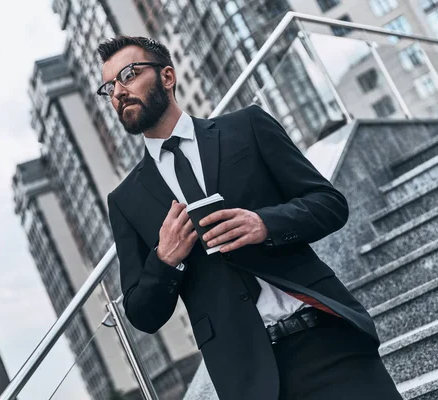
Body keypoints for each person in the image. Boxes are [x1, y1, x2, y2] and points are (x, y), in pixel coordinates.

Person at [98, 36, 402, 400]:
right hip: (248, 380)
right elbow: (141, 314)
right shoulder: (125, 200)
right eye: (109, 86)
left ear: (167, 77)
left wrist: (265, 225)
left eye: (129, 74)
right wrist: (165, 261)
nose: (118, 91)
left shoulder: (247, 127)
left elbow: (329, 204)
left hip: (329, 339)